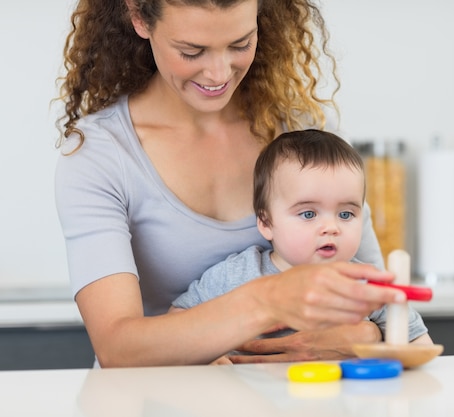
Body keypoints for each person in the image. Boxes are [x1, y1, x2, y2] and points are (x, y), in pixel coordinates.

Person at [55, 0, 433, 368]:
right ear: (139, 15)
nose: (219, 74)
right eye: (192, 51)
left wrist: (365, 338)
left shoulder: (302, 135)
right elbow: (118, 348)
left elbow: (382, 308)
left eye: (240, 44)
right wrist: (268, 301)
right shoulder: (100, 154)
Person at [170, 129, 430, 363]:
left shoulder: (370, 286)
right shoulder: (235, 275)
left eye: (346, 214)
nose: (331, 227)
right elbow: (177, 323)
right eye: (308, 214)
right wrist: (208, 358)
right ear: (266, 222)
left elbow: (420, 348)